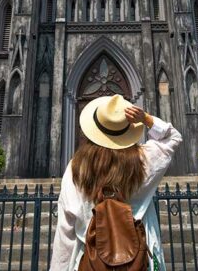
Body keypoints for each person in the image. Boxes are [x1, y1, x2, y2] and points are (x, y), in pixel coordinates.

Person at [50, 93, 183, 270]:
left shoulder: (76, 168)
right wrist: (145, 118)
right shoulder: (144, 161)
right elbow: (172, 138)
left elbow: (66, 229)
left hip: (90, 259)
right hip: (138, 259)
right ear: (128, 131)